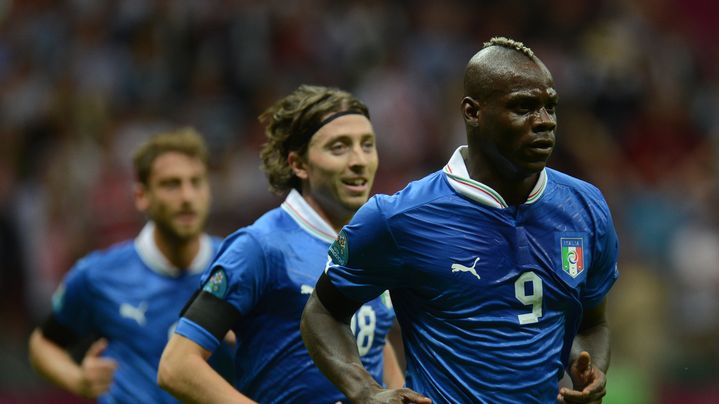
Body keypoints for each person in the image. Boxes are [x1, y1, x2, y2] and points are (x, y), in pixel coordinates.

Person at [301, 37, 619, 404]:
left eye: (551, 107)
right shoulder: (399, 218)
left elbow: (593, 323)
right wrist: (366, 392)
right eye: (524, 107)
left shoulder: (585, 206)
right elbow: (322, 312)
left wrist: (591, 368)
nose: (544, 122)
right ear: (472, 112)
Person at [157, 85, 402, 403]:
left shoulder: (373, 248)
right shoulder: (260, 246)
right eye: (339, 147)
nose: (359, 160)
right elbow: (177, 366)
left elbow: (376, 340)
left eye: (367, 145)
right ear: (299, 164)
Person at [28, 128, 227, 403]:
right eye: (171, 184)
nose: (187, 196)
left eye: (197, 182)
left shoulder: (239, 268)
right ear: (141, 196)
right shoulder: (98, 275)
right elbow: (43, 344)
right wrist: (79, 380)